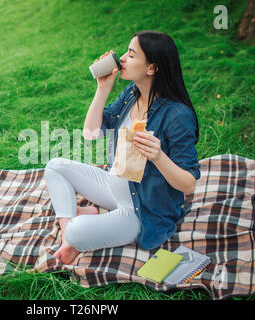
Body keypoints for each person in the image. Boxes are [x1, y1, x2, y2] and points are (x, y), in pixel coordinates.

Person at [44, 30, 201, 265]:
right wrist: (103, 88)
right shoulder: (131, 94)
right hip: (113, 184)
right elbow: (90, 133)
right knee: (55, 166)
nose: (122, 59)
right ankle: (70, 241)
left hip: (141, 210)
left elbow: (188, 184)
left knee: (77, 229)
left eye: (131, 54)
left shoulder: (177, 115)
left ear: (151, 68)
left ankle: (76, 233)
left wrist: (158, 156)